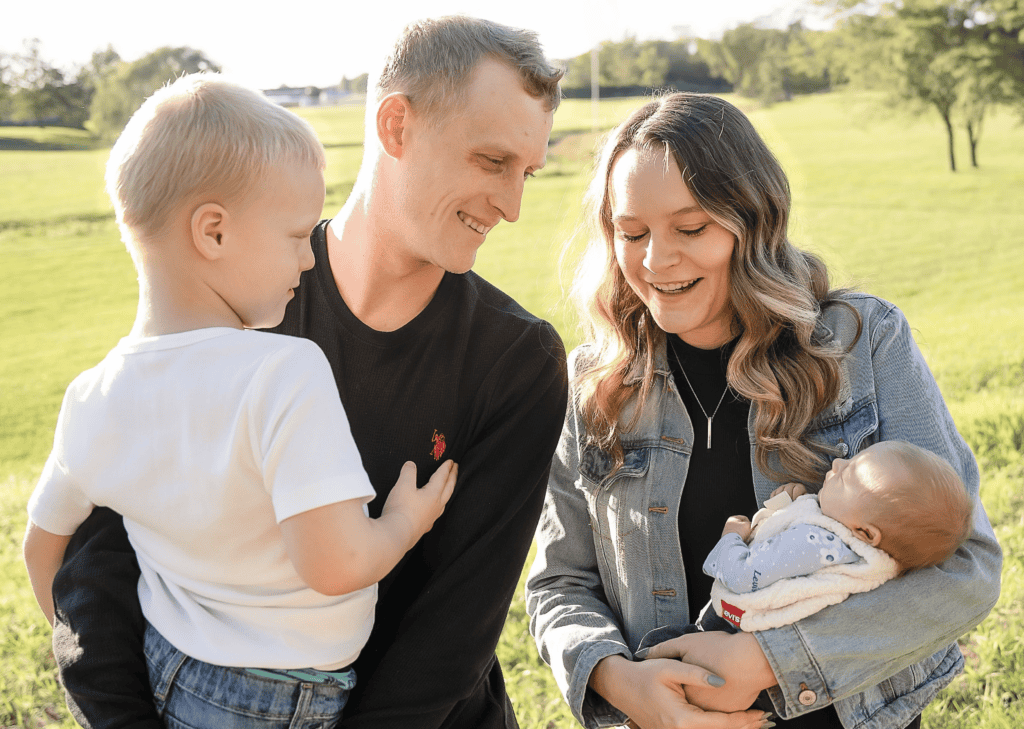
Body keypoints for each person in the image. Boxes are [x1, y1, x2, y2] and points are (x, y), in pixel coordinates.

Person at [48, 16, 569, 729]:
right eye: (491, 161)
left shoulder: (518, 360)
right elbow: (97, 568)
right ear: (395, 125)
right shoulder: (239, 293)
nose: (512, 206)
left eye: (527, 173)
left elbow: (454, 633)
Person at [525, 92, 1002, 729]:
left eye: (690, 228)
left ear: (753, 220)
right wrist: (619, 680)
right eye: (630, 231)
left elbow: (966, 566)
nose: (654, 260)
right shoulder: (594, 383)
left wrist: (768, 660)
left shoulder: (862, 342)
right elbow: (559, 585)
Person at [23, 73, 459, 728]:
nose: (309, 261)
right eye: (293, 236)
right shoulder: (283, 374)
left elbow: (42, 552)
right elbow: (337, 562)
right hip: (276, 696)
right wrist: (405, 520)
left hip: (167, 668)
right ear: (214, 233)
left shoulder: (90, 396)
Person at [701, 439, 973, 634]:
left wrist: (731, 538)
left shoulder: (815, 544)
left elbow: (743, 576)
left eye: (846, 476)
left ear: (865, 532)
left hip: (731, 625)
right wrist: (792, 507)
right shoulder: (852, 547)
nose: (838, 462)